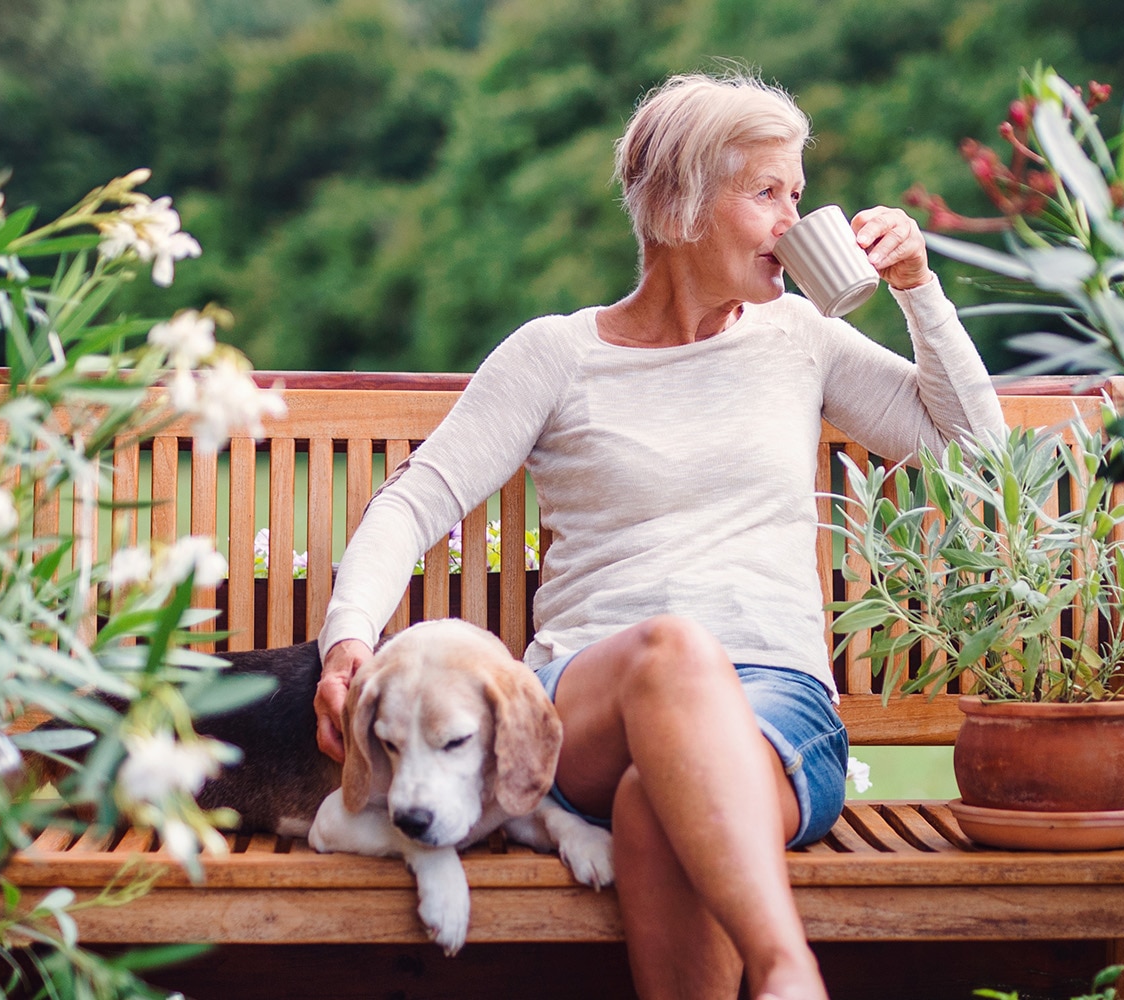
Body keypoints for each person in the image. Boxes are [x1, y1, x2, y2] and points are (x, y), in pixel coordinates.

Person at [310, 73, 1002, 1000]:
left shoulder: (800, 337)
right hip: (584, 704)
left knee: (651, 806)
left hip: (778, 707)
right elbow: (413, 501)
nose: (793, 224)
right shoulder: (557, 354)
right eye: (767, 195)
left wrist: (917, 287)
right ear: (678, 206)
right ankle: (788, 970)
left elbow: (978, 454)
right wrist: (349, 639)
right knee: (675, 651)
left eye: (798, 197)